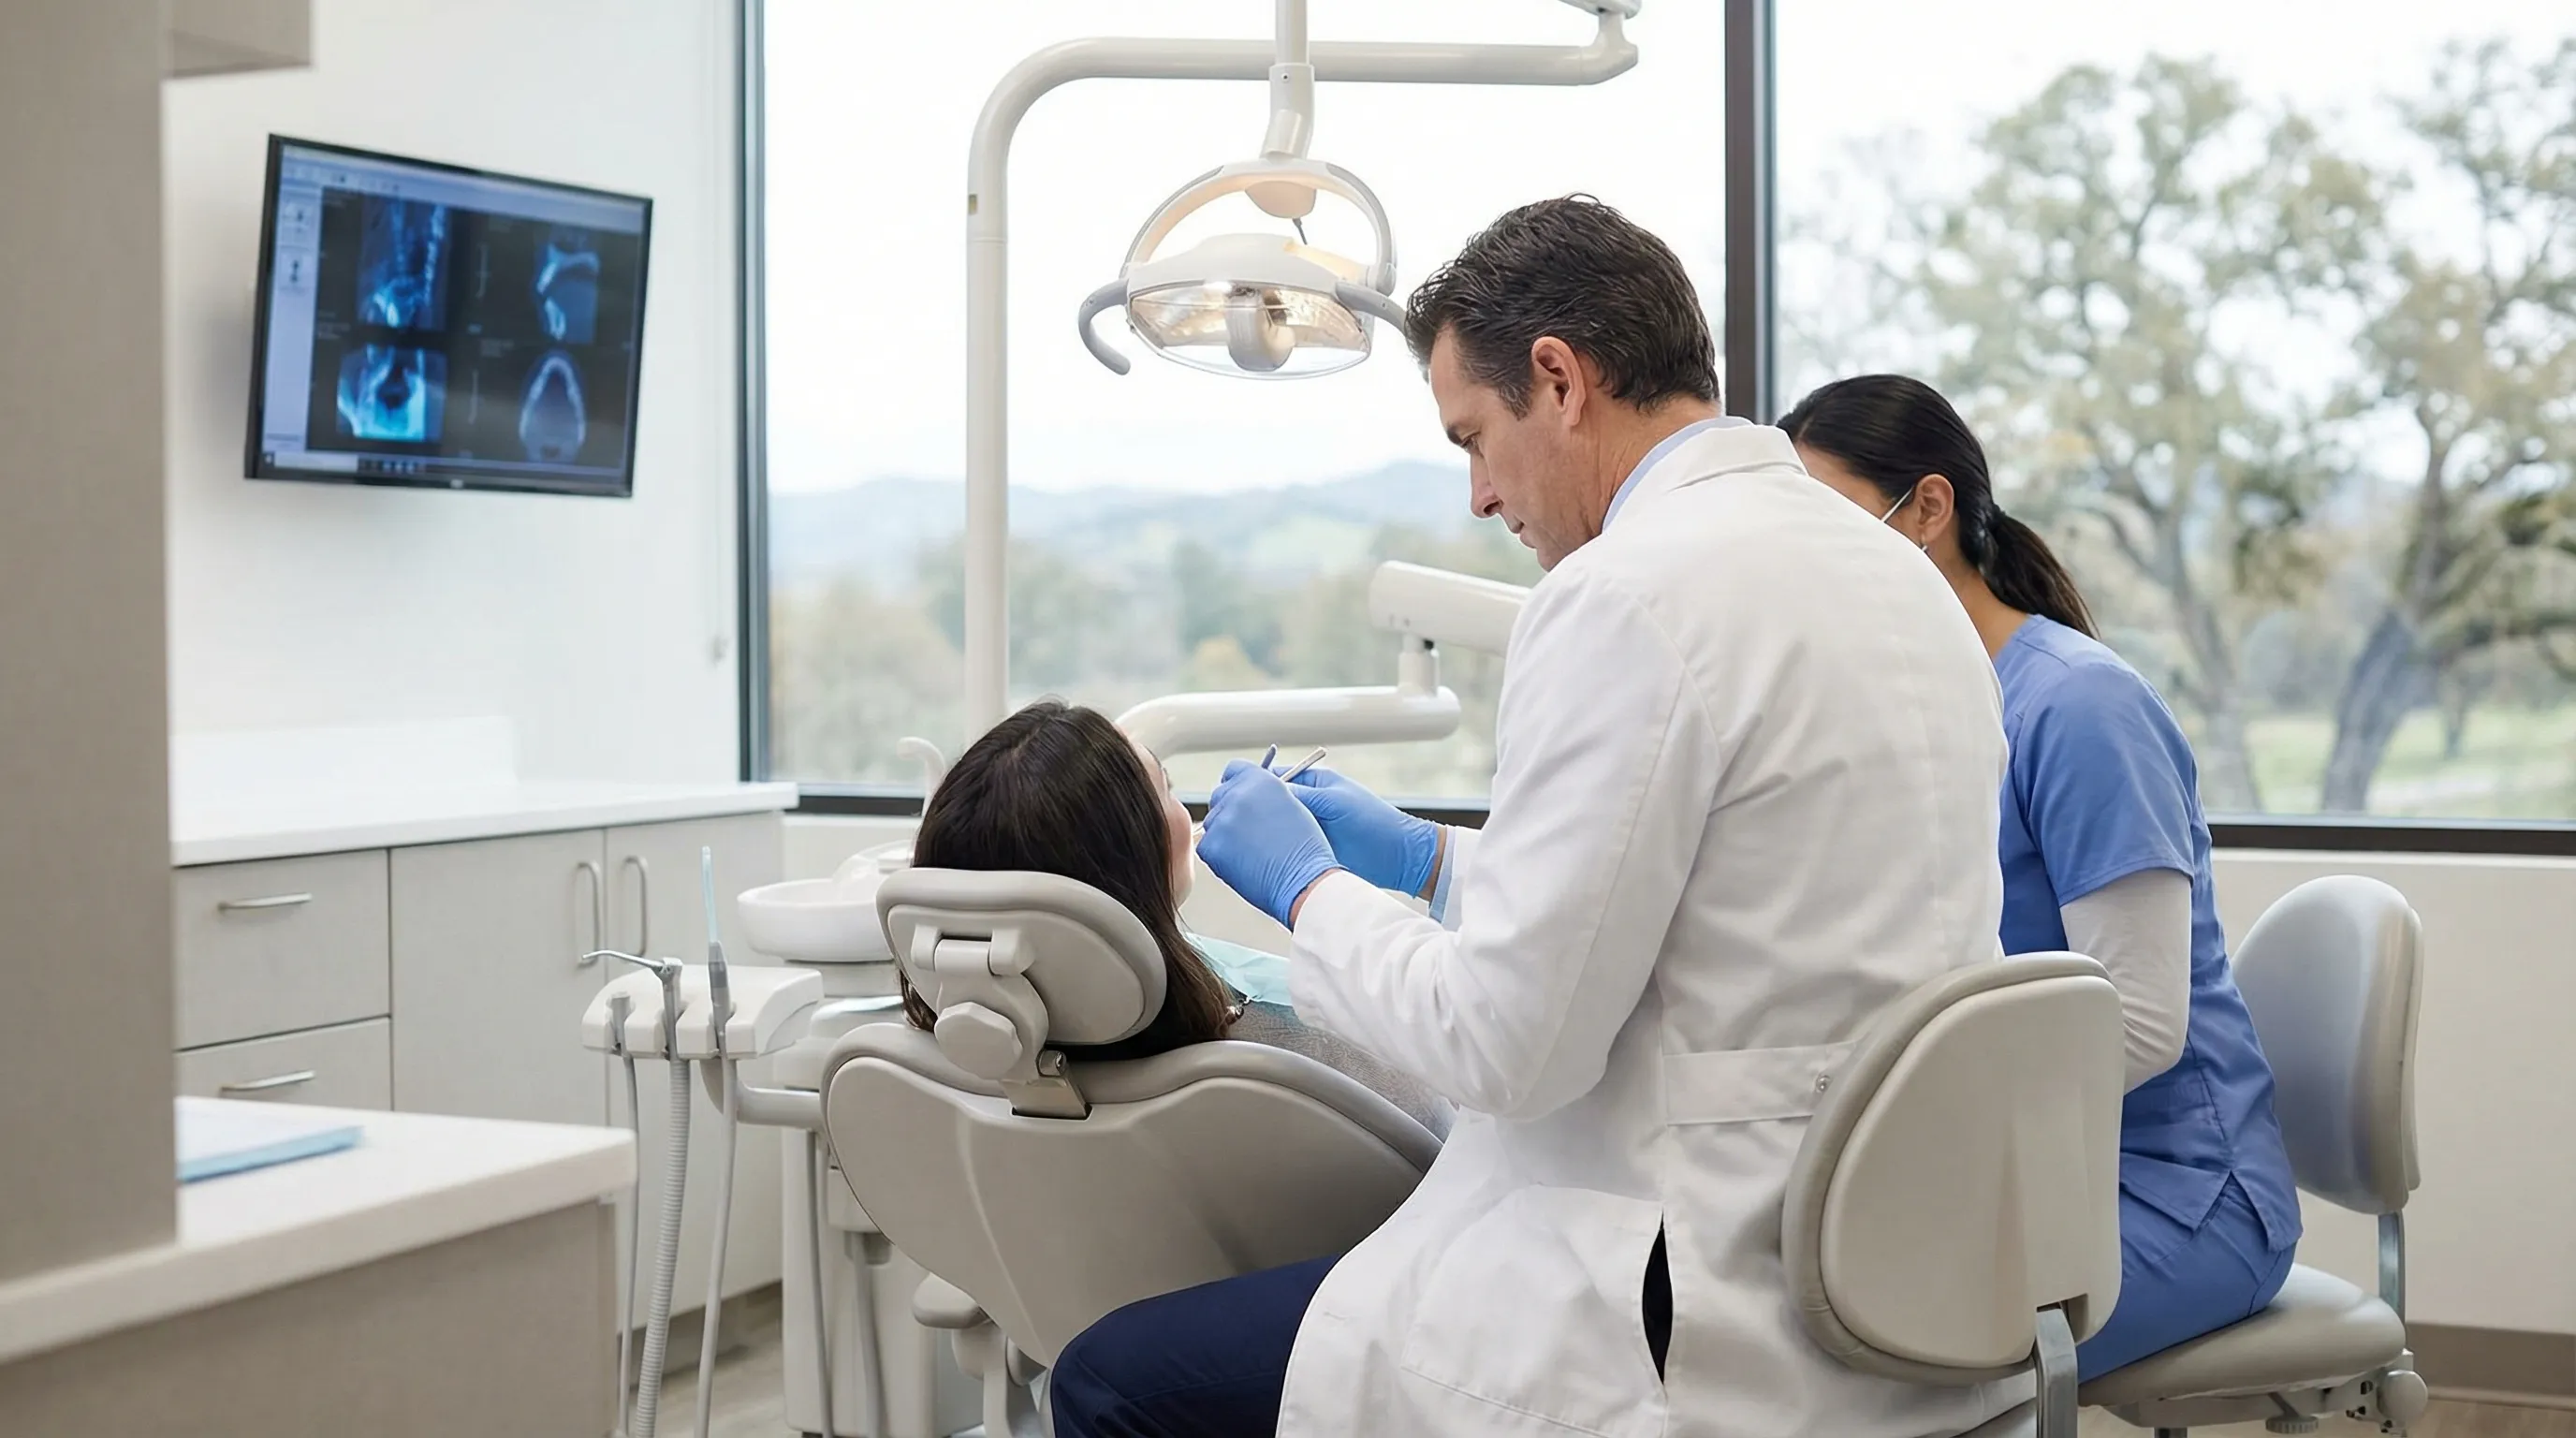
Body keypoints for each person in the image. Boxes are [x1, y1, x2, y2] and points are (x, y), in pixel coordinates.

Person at [1048, 197, 2020, 1438]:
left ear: (1559, 379)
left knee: (1115, 1378)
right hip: (1903, 1277)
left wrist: (1311, 895)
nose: (1477, 496)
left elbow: (1509, 1047)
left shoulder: (1623, 595)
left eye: (1474, 437)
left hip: (1698, 1301)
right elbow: (1734, 906)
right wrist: (1433, 863)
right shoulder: (1896, 580)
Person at [1778, 372, 2301, 1378]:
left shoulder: (2076, 708)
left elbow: (2143, 1023)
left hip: (2174, 1191)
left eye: (1830, 521)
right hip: (2028, 1169)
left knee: (1866, 1359)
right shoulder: (1913, 707)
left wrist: (1909, 1123)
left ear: (1927, 508)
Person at [899, 698, 1451, 1138]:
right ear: (1139, 856)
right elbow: (1441, 1125)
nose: (1187, 811)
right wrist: (1417, 864)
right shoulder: (1297, 1056)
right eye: (1165, 789)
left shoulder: (943, 1065)